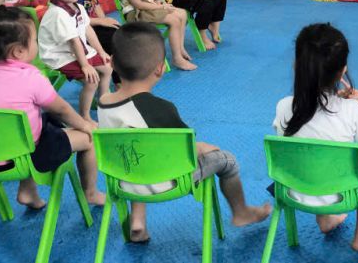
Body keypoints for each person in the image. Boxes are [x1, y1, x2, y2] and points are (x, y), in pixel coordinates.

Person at [97, 22, 270, 242]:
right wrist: (204, 148)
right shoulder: (160, 108)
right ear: (160, 68)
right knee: (227, 160)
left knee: (133, 150)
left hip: (123, 181)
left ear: (112, 62)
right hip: (167, 182)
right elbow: (185, 152)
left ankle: (137, 221)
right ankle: (241, 212)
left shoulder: (104, 103)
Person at [0, 6, 104, 208]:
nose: (36, 44)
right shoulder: (30, 77)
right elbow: (61, 109)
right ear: (19, 51)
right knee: (89, 138)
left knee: (33, 125)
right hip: (24, 157)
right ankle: (91, 193)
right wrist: (85, 125)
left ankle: (28, 192)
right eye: (35, 40)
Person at [272, 23, 358, 254]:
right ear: (343, 70)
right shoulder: (352, 110)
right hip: (341, 192)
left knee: (311, 157)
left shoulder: (284, 106)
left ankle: (326, 219)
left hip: (294, 189)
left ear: (297, 66)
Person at [36, 0, 113, 120]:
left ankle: (103, 101)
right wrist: (85, 65)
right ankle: (85, 116)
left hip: (76, 50)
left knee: (108, 67)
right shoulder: (58, 13)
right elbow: (73, 41)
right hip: (59, 56)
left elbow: (88, 30)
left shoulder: (78, 6)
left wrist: (101, 52)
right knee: (91, 80)